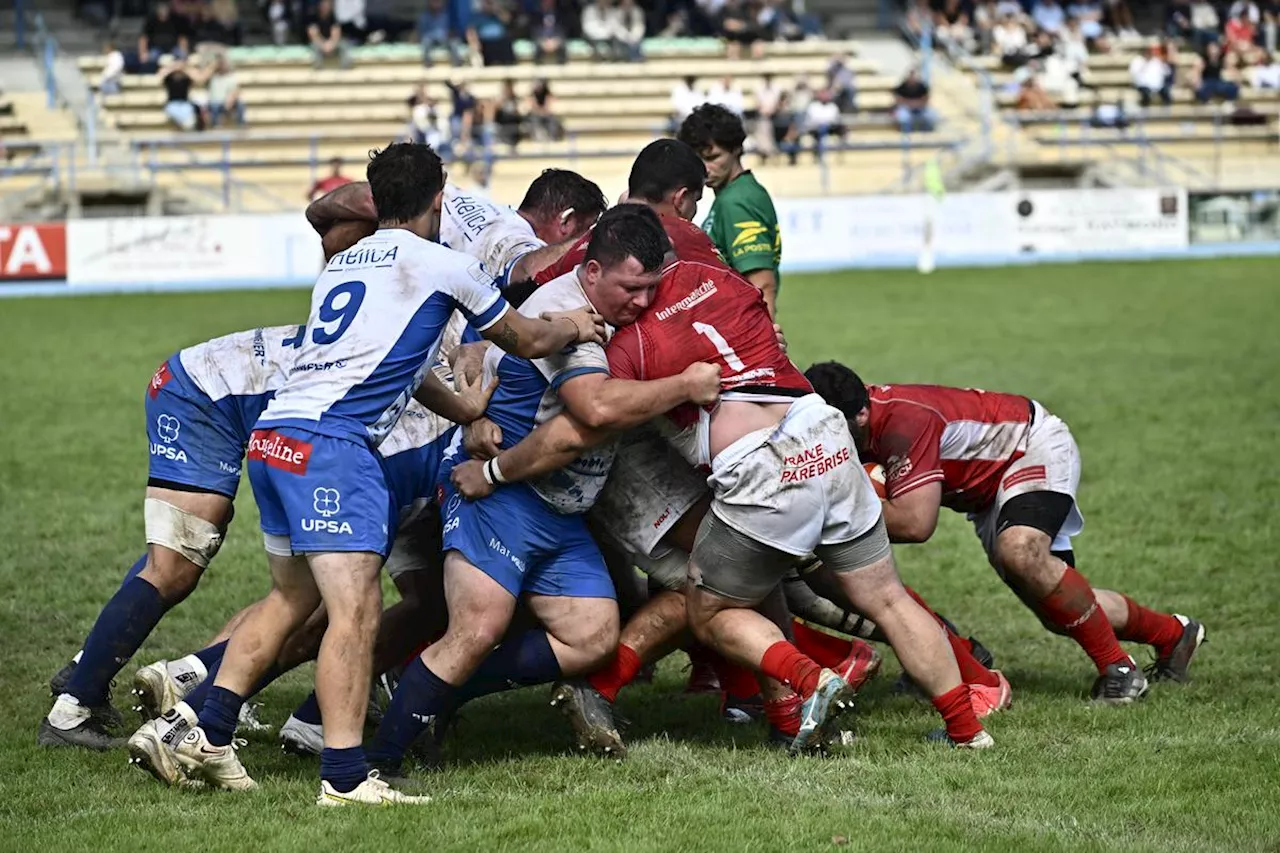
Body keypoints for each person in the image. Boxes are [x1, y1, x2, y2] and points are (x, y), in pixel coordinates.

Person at [159, 142, 605, 805]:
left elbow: (401, 365)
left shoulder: (342, 266)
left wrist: (464, 405)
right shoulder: (447, 265)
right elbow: (526, 339)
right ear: (438, 198)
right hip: (334, 447)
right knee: (356, 615)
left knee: (288, 602)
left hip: (277, 437)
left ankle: (207, 732)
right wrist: (573, 321)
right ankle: (343, 777)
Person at [362, 205, 723, 778]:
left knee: (592, 638)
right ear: (595, 270)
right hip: (496, 495)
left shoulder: (608, 312)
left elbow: (478, 349)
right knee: (477, 629)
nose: (640, 303)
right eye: (630, 288)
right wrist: (686, 383)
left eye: (651, 289)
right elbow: (591, 411)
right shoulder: (566, 314)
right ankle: (376, 765)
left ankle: (432, 694)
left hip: (557, 509)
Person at [803, 363, 1208, 702]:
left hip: (1027, 447)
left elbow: (915, 523)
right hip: (980, 491)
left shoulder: (904, 422)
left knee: (1022, 552)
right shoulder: (836, 421)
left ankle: (1118, 669)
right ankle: (1173, 634)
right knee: (1058, 611)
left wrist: (834, 515)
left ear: (860, 415)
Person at [37, 325, 302, 750]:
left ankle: (86, 668)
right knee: (174, 567)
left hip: (202, 384)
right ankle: (71, 712)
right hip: (201, 397)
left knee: (173, 561)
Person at [678, 104, 782, 318]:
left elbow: (762, 285)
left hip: (742, 335)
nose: (705, 168)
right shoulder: (734, 195)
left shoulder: (737, 201)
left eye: (713, 157)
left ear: (736, 149)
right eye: (698, 159)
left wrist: (763, 348)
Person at [158, 58, 207, 132]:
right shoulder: (169, 78)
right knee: (185, 122)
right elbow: (160, 77)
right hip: (172, 105)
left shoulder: (186, 78)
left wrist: (184, 68)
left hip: (185, 104)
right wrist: (173, 67)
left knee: (190, 121)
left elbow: (199, 80)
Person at [467, 0, 517, 67]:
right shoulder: (478, 16)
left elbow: (507, 21)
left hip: (500, 41)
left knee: (507, 43)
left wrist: (497, 10)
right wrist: (474, 43)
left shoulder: (498, 15)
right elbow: (470, 30)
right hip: (485, 43)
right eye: (487, 3)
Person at [307, 0, 352, 69]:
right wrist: (323, 46)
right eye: (324, 5)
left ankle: (346, 69)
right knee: (315, 47)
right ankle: (318, 70)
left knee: (344, 45)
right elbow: (313, 34)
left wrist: (331, 44)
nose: (326, 7)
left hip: (331, 42)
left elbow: (336, 33)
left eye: (328, 5)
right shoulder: (313, 17)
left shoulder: (334, 16)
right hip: (319, 42)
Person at [892, 68, 937, 133]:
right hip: (906, 108)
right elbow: (899, 100)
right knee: (902, 116)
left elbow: (926, 100)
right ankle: (906, 132)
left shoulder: (922, 87)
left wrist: (914, 103)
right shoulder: (902, 87)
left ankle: (928, 132)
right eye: (911, 76)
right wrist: (911, 103)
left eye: (914, 76)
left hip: (920, 108)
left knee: (932, 114)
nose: (912, 78)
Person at [419, 0, 462, 66]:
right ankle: (427, 64)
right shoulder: (424, 16)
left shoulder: (447, 15)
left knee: (454, 42)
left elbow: (452, 29)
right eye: (434, 2)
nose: (436, 4)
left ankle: (457, 64)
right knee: (425, 41)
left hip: (444, 38)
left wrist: (451, 34)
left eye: (438, 2)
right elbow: (422, 32)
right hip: (431, 39)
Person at [207, 54, 246, 127]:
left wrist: (230, 100)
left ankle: (241, 124)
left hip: (227, 101)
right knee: (214, 105)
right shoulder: (212, 76)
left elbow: (236, 90)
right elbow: (201, 78)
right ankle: (215, 125)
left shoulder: (230, 77)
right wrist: (212, 66)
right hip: (215, 102)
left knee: (240, 104)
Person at [532, 0, 568, 65]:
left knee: (563, 45)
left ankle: (561, 69)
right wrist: (543, 41)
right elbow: (534, 30)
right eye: (545, 1)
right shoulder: (536, 15)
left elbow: (563, 30)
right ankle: (538, 69)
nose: (548, 3)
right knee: (536, 45)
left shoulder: (560, 14)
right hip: (541, 39)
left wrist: (556, 41)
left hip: (556, 39)